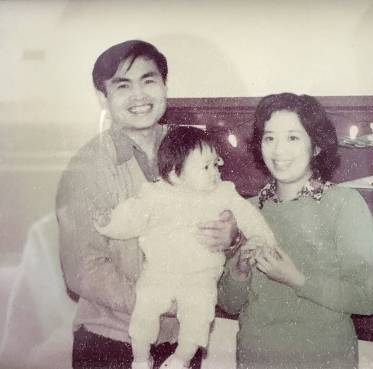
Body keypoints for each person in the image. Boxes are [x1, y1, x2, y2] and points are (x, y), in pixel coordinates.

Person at [56, 40, 238, 369]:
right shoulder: (87, 168)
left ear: (165, 86)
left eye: (149, 81)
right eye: (123, 86)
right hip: (111, 342)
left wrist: (229, 236)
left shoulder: (195, 152)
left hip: (181, 341)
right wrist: (160, 301)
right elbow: (83, 269)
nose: (139, 95)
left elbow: (222, 221)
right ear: (103, 97)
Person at [217, 92, 373, 369]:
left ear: (315, 146)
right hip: (255, 358)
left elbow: (366, 299)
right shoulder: (247, 209)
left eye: (293, 137)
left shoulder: (344, 204)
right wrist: (239, 271)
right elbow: (230, 304)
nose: (279, 151)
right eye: (269, 138)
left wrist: (296, 279)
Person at [94, 126, 277, 369]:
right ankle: (140, 358)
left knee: (199, 315)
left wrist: (261, 237)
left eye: (216, 164)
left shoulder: (223, 193)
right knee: (145, 305)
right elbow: (132, 217)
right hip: (159, 272)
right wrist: (110, 224)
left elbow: (249, 215)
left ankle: (182, 358)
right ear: (175, 175)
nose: (215, 172)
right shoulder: (156, 194)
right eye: (205, 167)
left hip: (201, 276)